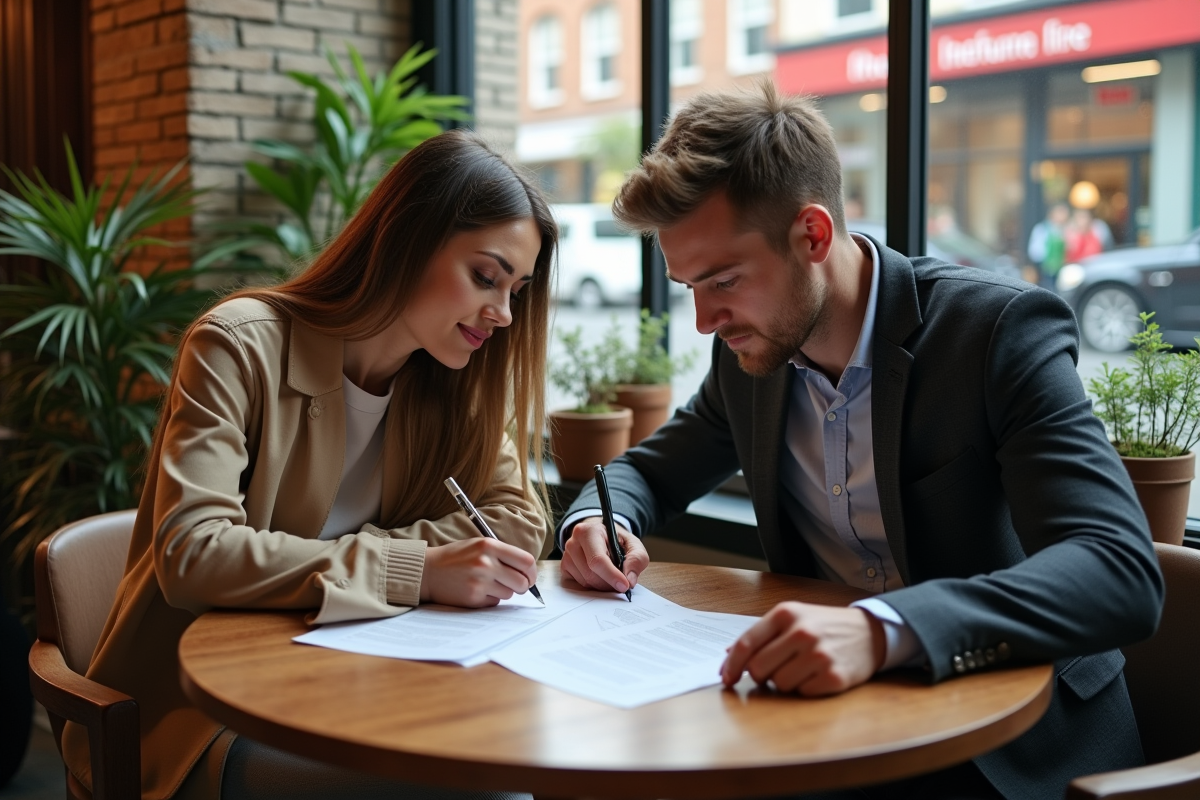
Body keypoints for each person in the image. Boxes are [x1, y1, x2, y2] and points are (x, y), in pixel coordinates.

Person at [558, 83, 1163, 799]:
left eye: (722, 280)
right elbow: (651, 474)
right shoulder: (751, 356)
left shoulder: (995, 334)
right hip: (831, 734)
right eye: (689, 285)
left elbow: (1119, 571)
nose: (703, 320)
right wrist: (599, 519)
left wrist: (885, 629)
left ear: (811, 235)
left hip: (1013, 750)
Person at [62, 130, 557, 800]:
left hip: (361, 678)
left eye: (516, 289)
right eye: (485, 276)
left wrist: (377, 565)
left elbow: (516, 522)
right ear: (405, 241)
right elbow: (194, 556)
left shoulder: (447, 378)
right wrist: (416, 568)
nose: (501, 313)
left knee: (518, 758)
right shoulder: (236, 346)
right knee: (485, 790)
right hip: (204, 712)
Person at [1026, 202, 1069, 289]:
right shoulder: (1042, 229)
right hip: (1046, 270)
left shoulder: (1064, 229)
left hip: (1062, 269)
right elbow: (1035, 251)